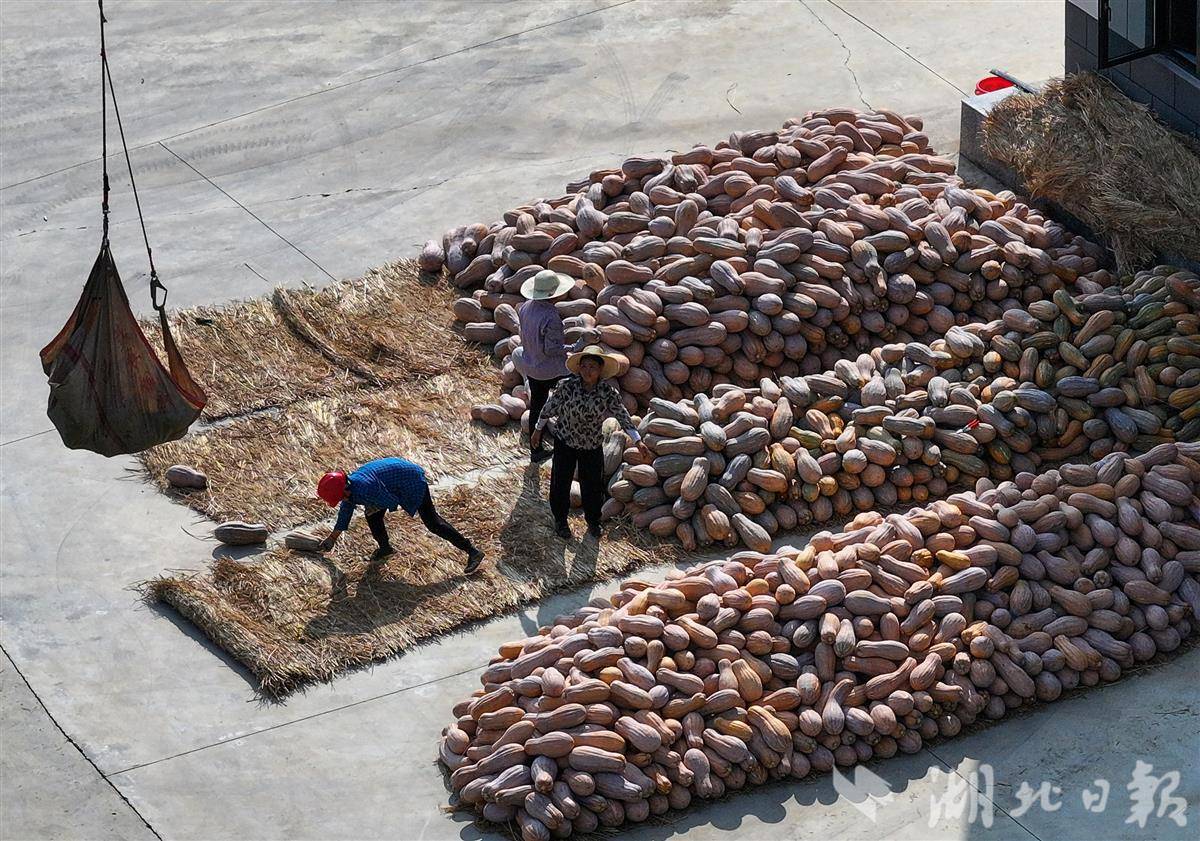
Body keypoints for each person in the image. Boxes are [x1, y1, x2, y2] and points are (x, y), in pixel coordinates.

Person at [531, 345, 649, 539]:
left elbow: (623, 416)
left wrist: (637, 441)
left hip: (591, 445)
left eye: (592, 367)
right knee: (560, 483)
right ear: (579, 368)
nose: (587, 371)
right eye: (584, 366)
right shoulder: (567, 386)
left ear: (600, 370)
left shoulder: (607, 393)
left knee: (593, 486)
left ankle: (593, 521)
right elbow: (548, 408)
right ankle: (560, 520)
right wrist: (537, 430)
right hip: (565, 441)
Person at [316, 457, 484, 573]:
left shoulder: (366, 488)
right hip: (392, 479)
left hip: (411, 481)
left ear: (343, 489)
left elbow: (390, 500)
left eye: (339, 497)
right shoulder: (350, 488)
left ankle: (472, 551)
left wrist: (373, 506)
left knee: (433, 523)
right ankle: (385, 548)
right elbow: (346, 512)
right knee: (372, 516)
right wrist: (332, 538)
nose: (340, 500)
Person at [515, 269, 575, 464]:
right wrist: (575, 347)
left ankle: (536, 450)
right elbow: (552, 349)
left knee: (537, 407)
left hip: (531, 364)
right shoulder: (551, 316)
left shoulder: (525, 307)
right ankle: (567, 443)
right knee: (573, 393)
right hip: (550, 368)